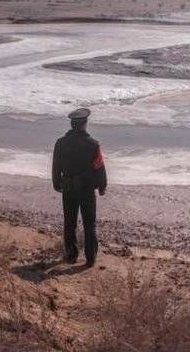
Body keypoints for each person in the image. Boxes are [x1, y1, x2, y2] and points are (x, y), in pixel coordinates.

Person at [52, 108, 107, 267]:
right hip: (87, 190)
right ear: (85, 124)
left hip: (68, 188)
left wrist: (56, 183)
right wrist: (102, 186)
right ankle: (90, 258)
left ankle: (71, 255)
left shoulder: (61, 143)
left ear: (72, 124)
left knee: (70, 222)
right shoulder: (93, 145)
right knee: (89, 224)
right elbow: (99, 167)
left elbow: (56, 166)